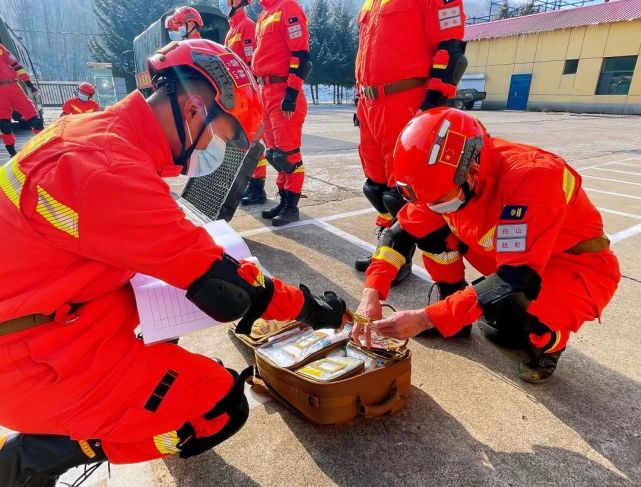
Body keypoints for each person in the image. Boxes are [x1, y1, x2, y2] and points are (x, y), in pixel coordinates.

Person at [0, 40, 346, 486]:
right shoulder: (108, 172)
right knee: (220, 407)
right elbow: (230, 290)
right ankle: (41, 454)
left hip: (52, 318)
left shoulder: (92, 135)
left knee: (166, 329)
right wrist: (309, 308)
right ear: (194, 109)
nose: (217, 150)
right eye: (220, 135)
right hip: (32, 360)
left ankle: (92, 416)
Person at [354, 108, 620, 383]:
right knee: (429, 228)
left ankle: (546, 345)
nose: (432, 206)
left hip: (571, 267)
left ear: (472, 170)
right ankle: (452, 305)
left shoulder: (533, 178)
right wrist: (371, 292)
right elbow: (399, 235)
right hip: (510, 254)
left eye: (438, 200)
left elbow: (514, 280)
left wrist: (425, 318)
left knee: (505, 316)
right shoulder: (445, 180)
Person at [353, 0, 467, 283]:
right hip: (370, 103)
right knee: (376, 187)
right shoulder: (373, 3)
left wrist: (433, 102)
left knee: (401, 193)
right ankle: (385, 249)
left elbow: (451, 51)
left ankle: (401, 258)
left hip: (406, 100)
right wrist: (359, 98)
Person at [253, 0, 311, 225]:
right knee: (275, 153)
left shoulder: (288, 7)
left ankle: (291, 207)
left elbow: (300, 54)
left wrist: (291, 93)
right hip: (265, 91)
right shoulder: (264, 15)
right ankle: (284, 199)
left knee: (289, 154)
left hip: (282, 91)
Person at [219, 0, 269, 206]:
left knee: (254, 142)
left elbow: (250, 64)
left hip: (248, 94)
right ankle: (251, 183)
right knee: (243, 142)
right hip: (236, 95)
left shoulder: (247, 27)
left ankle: (259, 188)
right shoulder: (232, 31)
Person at [0, 43, 43, 157]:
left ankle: (42, 146)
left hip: (14, 87)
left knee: (36, 120)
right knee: (4, 126)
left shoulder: (1, 48)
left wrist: (29, 83)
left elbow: (16, 65)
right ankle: (12, 153)